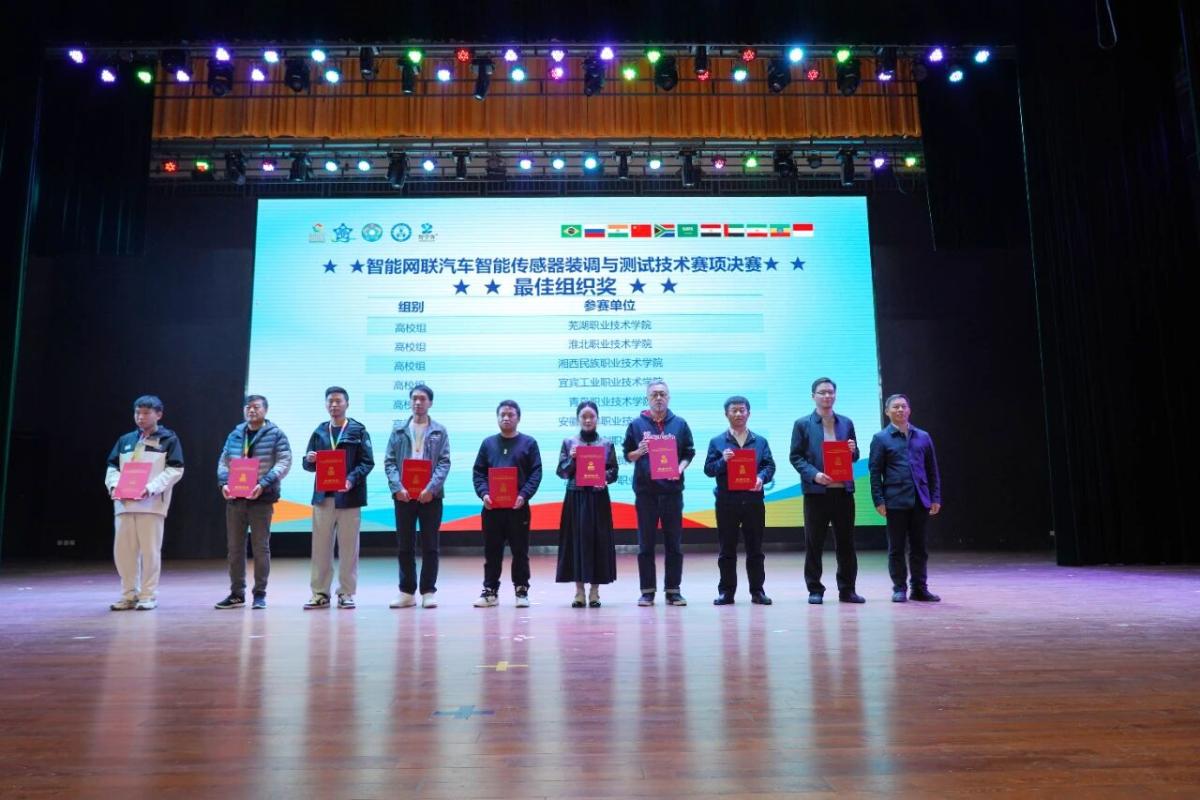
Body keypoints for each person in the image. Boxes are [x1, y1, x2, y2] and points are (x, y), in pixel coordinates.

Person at [104, 395, 185, 611]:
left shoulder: (168, 439)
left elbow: (175, 469)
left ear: (159, 415)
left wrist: (151, 488)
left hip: (152, 505)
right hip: (124, 504)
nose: (140, 417)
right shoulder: (126, 440)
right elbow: (112, 467)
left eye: (146, 413)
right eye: (137, 413)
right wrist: (114, 486)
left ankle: (148, 595)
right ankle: (128, 594)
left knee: (150, 552)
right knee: (123, 552)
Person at [789, 377, 864, 605]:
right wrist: (814, 474)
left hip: (843, 492)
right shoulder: (802, 424)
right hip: (816, 493)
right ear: (813, 396)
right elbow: (795, 457)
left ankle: (847, 590)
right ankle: (815, 589)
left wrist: (853, 450)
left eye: (831, 392)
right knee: (814, 544)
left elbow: (854, 456)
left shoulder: (846, 423)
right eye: (822, 392)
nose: (827, 396)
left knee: (846, 543)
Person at [214, 395, 292, 610]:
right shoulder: (235, 434)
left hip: (261, 499)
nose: (251, 410)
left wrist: (264, 484)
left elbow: (284, 462)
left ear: (265, 410)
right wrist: (224, 483)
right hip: (235, 498)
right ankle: (236, 593)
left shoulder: (276, 434)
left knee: (260, 548)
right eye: (248, 407)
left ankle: (260, 594)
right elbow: (224, 461)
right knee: (235, 549)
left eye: (256, 407)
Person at [623, 380, 695, 607]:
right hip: (646, 493)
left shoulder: (680, 424)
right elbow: (627, 455)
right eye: (654, 394)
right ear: (647, 398)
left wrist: (679, 468)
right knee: (646, 544)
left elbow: (689, 453)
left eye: (662, 394)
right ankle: (647, 591)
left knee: (674, 544)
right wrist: (639, 450)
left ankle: (673, 590)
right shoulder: (636, 425)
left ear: (669, 397)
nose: (658, 398)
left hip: (672, 493)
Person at [301, 386, 374, 610]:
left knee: (349, 549)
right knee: (320, 548)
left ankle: (346, 593)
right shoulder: (319, 431)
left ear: (347, 404)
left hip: (349, 498)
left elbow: (367, 462)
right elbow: (308, 465)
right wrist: (309, 460)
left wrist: (350, 479)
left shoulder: (358, 431)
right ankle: (320, 593)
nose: (334, 405)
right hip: (323, 498)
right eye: (330, 401)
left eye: (338, 401)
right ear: (326, 405)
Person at [869, 393, 943, 603]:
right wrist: (878, 500)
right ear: (887, 412)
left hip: (920, 499)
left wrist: (935, 497)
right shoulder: (880, 438)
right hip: (895, 501)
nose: (900, 410)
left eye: (903, 406)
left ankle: (919, 588)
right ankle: (899, 588)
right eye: (895, 407)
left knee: (919, 548)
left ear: (909, 410)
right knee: (896, 548)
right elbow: (875, 472)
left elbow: (932, 470)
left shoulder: (923, 436)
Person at [703, 395, 776, 605]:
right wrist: (723, 461)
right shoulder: (717, 442)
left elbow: (769, 466)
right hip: (727, 503)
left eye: (742, 410)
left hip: (753, 502)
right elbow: (708, 470)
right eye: (734, 410)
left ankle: (757, 591)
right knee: (727, 550)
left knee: (755, 550)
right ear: (726, 414)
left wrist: (761, 478)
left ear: (748, 413)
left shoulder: (760, 441)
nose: (738, 414)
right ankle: (726, 592)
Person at [383, 384, 450, 609]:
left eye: (422, 399)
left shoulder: (439, 431)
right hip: (404, 496)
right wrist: (397, 487)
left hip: (431, 496)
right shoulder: (399, 430)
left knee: (431, 545)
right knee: (405, 546)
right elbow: (389, 461)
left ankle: (428, 591)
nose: (418, 402)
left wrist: (431, 488)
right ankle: (406, 592)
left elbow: (444, 462)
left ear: (430, 402)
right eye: (414, 398)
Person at [471, 400, 542, 608]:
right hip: (492, 508)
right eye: (502, 414)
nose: (506, 418)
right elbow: (478, 473)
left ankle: (521, 590)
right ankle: (490, 592)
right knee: (492, 552)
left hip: (518, 508)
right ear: (497, 418)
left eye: (511, 414)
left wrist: (524, 495)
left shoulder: (529, 443)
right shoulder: (488, 444)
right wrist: (484, 494)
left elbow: (536, 473)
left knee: (520, 552)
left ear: (518, 418)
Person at [555, 401, 619, 608]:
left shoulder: (606, 444)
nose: (588, 420)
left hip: (598, 498)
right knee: (577, 543)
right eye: (584, 417)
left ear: (597, 418)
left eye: (592, 416)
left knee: (598, 542)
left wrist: (604, 478)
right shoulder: (569, 443)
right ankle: (579, 592)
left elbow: (614, 472)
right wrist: (572, 459)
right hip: (576, 498)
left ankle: (595, 592)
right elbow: (561, 472)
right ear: (578, 419)